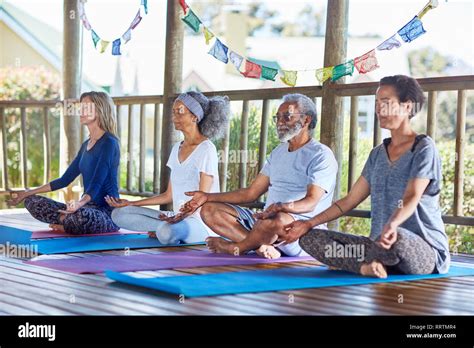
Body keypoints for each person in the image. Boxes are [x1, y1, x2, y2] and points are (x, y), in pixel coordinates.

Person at [283, 75, 450, 277]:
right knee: (310, 238)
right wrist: (308, 223)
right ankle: (367, 267)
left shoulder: (423, 148)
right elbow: (348, 201)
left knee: (397, 239)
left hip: (422, 250)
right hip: (377, 244)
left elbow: (411, 196)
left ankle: (362, 262)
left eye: (386, 103)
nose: (379, 109)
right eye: (377, 103)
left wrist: (392, 224)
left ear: (407, 107)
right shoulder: (377, 154)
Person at [180, 93, 338, 259]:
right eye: (277, 117)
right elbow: (251, 193)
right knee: (210, 210)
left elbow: (311, 202)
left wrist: (281, 207)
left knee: (276, 221)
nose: (280, 122)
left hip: (297, 230)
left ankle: (238, 247)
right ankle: (259, 247)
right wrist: (206, 197)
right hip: (264, 224)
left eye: (287, 116)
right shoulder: (278, 152)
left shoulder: (321, 154)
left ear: (306, 120)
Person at [107, 91, 229, 245]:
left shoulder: (207, 149)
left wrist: (178, 219)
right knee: (118, 214)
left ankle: (166, 230)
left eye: (180, 112)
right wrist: (130, 203)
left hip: (200, 222)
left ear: (194, 117)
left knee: (167, 232)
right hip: (176, 217)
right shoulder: (177, 148)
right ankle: (164, 228)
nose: (174, 117)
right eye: (173, 112)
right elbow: (168, 195)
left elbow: (201, 200)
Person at [7, 91, 121, 235]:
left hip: (107, 213)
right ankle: (67, 221)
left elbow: (97, 183)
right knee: (32, 201)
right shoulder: (86, 145)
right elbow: (64, 180)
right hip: (84, 207)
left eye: (87, 107)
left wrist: (79, 204)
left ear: (100, 110)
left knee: (81, 216)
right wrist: (27, 193)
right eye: (81, 107)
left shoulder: (110, 143)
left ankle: (67, 221)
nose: (81, 111)